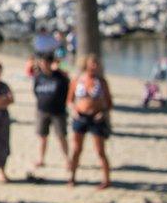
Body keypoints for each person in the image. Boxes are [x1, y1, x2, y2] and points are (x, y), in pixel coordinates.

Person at [68, 55, 114, 189]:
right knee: (76, 149)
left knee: (100, 151)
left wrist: (103, 113)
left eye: (96, 64)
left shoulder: (101, 82)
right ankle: (72, 177)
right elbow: (70, 100)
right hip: (81, 117)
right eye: (92, 63)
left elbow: (109, 103)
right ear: (85, 64)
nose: (94, 66)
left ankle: (106, 179)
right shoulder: (78, 80)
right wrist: (74, 111)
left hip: (96, 118)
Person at [32, 53, 70, 170]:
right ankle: (41, 159)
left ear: (51, 63)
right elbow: (35, 91)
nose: (44, 65)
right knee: (42, 136)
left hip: (58, 112)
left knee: (61, 136)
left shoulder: (60, 77)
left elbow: (69, 89)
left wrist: (61, 69)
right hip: (42, 111)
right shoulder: (38, 77)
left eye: (46, 63)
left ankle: (67, 160)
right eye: (42, 63)